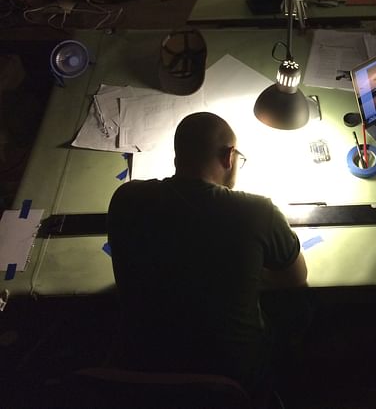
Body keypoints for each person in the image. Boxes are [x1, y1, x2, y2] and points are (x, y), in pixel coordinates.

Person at [107, 112, 307, 405]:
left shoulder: (125, 198)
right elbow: (295, 278)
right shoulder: (257, 211)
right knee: (300, 314)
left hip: (142, 373)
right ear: (229, 157)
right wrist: (243, 271)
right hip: (232, 383)